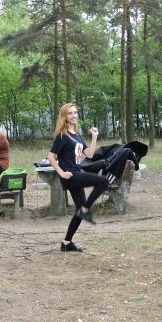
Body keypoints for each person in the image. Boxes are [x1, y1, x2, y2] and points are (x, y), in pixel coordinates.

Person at [48, 102, 108, 253]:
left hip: (76, 172)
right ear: (64, 116)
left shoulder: (76, 135)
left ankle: (66, 243)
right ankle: (86, 209)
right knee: (103, 181)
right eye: (70, 113)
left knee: (79, 211)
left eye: (75, 112)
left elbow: (90, 154)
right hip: (71, 175)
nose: (74, 115)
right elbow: (51, 156)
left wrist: (94, 137)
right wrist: (61, 173)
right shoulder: (62, 135)